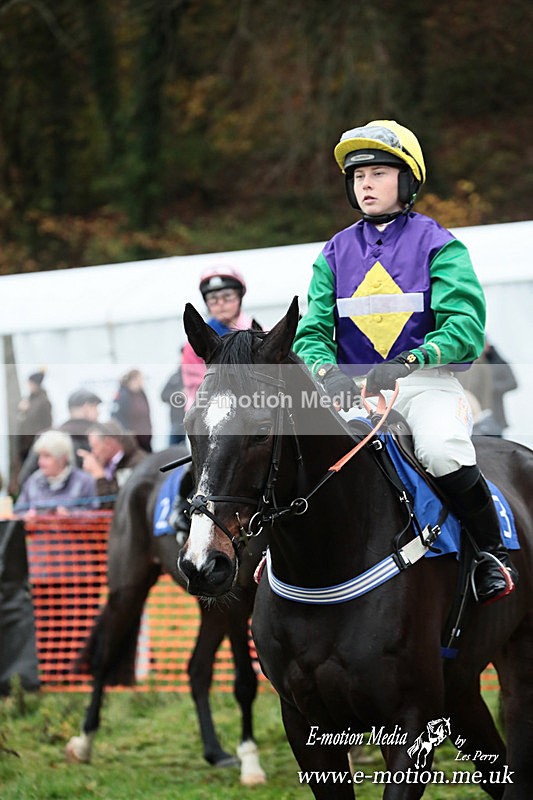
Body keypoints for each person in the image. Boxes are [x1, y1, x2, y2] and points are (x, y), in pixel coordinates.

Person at [292, 119, 517, 604]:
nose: (366, 184)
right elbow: (311, 332)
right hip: (352, 389)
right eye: (358, 177)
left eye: (377, 173)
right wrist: (325, 373)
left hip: (423, 383)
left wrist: (412, 358)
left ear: (407, 180)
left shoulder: (440, 245)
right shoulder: (333, 253)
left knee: (440, 449)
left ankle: (489, 553)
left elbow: (465, 327)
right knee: (298, 453)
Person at [180, 265, 261, 410]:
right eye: (213, 299)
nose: (221, 304)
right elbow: (195, 386)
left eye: (227, 296)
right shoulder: (195, 343)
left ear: (239, 297)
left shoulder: (260, 332)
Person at [16, 388, 103, 489]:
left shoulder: (48, 436)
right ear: (86, 408)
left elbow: (24, 478)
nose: (98, 413)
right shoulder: (96, 439)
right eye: (96, 408)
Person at [14, 430, 98, 515]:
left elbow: (95, 514)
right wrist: (27, 517)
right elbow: (18, 512)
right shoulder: (33, 482)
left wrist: (71, 516)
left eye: (47, 456)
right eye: (40, 456)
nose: (40, 462)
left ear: (63, 458)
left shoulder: (84, 482)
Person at [77, 420, 146, 507]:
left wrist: (99, 475)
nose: (93, 453)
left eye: (94, 447)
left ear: (108, 443)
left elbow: (115, 505)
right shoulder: (107, 463)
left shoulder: (136, 464)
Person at [458, 337, 518, 437]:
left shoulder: (497, 362)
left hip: (494, 413)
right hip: (474, 412)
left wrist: (490, 387)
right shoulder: (468, 362)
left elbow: (512, 383)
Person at [15, 371, 53, 466]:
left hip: (36, 443)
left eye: (30, 383)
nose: (28, 386)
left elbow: (47, 424)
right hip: (25, 443)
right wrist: (22, 410)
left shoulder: (44, 401)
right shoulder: (28, 399)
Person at [111, 369, 152, 453]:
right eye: (139, 380)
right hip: (133, 439)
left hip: (145, 437)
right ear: (132, 380)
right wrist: (128, 432)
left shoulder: (141, 393)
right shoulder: (123, 395)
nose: (142, 382)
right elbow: (117, 417)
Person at [160, 354, 186, 445]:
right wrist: (180, 394)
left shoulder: (199, 376)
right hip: (178, 420)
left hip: (194, 421)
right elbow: (163, 395)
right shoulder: (175, 377)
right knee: (174, 448)